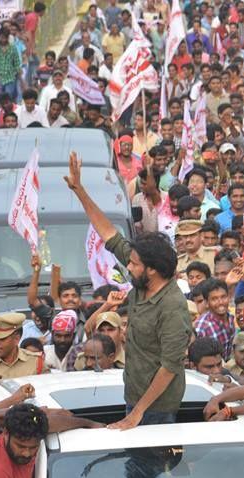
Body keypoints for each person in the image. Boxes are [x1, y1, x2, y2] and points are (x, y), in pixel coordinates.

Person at [66, 152, 191, 429]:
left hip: (156, 408)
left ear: (153, 270)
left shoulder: (172, 307)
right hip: (133, 397)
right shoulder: (141, 276)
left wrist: (137, 414)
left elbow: (169, 368)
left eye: (133, 265)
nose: (128, 267)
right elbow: (108, 233)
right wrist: (80, 191)